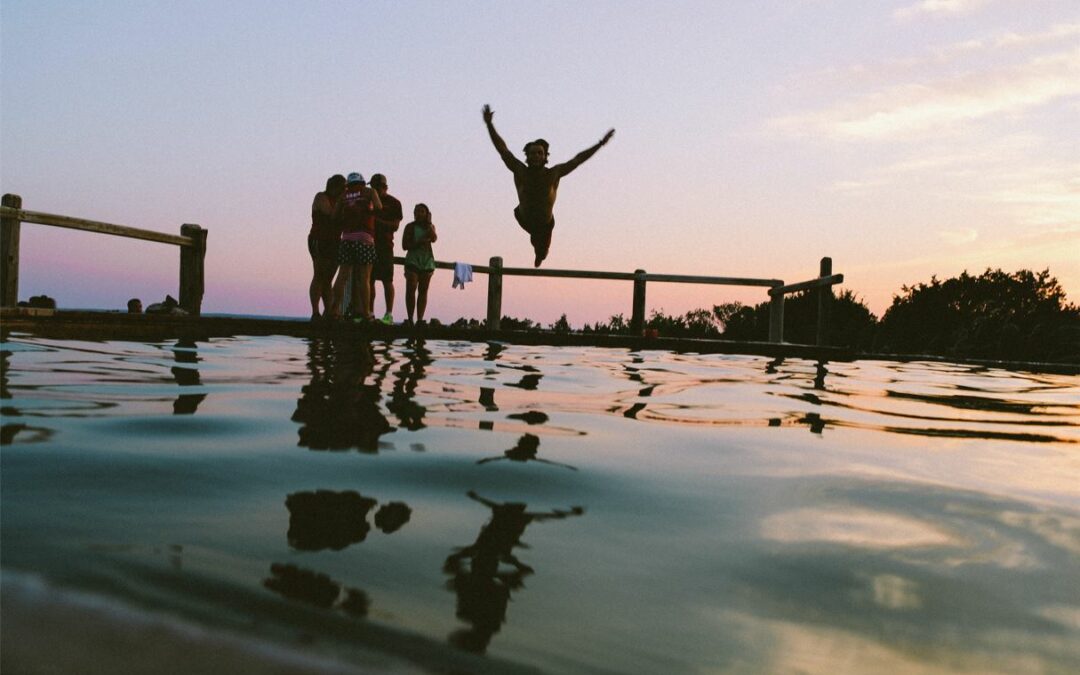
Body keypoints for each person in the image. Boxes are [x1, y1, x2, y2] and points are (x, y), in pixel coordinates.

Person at [481, 104, 614, 267]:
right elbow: (503, 149)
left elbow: (578, 159)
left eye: (539, 153)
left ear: (545, 157)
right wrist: (489, 124)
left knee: (542, 251)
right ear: (527, 157)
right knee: (534, 238)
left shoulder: (554, 173)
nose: (536, 156)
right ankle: (537, 247)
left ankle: (539, 255)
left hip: (545, 225)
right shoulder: (520, 170)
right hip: (523, 219)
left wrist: (600, 144)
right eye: (532, 153)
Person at [330, 173, 382, 322]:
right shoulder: (370, 192)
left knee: (342, 276)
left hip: (346, 238)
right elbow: (379, 207)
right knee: (364, 277)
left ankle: (334, 310)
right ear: (362, 182)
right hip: (365, 237)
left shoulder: (343, 195)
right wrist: (368, 211)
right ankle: (365, 313)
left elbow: (334, 216)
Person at [309, 174, 347, 320]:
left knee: (328, 278)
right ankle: (315, 312)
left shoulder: (341, 201)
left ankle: (329, 312)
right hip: (320, 239)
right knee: (319, 275)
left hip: (335, 241)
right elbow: (331, 215)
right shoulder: (321, 197)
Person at [367, 173, 403, 325]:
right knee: (369, 280)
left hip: (386, 246)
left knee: (387, 280)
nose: (374, 189)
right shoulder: (367, 200)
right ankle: (370, 313)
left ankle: (388, 314)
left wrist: (376, 221)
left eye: (377, 186)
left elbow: (395, 226)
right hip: (369, 244)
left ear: (385, 187)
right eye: (372, 186)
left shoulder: (395, 203)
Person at [402, 203, 438, 326]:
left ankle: (420, 319)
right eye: (416, 211)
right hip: (413, 260)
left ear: (426, 213)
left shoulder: (430, 227)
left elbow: (434, 238)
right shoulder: (409, 227)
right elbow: (404, 245)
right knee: (411, 287)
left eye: (422, 211)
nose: (419, 213)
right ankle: (410, 318)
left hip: (426, 261)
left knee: (423, 290)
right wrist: (419, 242)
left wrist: (429, 224)